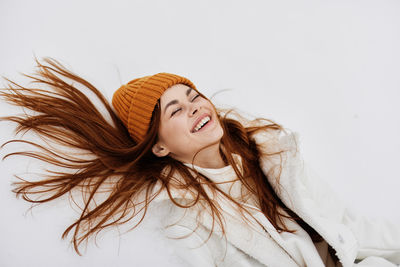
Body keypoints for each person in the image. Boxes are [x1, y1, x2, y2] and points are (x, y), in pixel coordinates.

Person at [1, 58, 399, 267]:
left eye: (193, 96)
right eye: (175, 111)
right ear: (158, 147)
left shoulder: (272, 153)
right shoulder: (184, 214)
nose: (195, 108)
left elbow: (346, 226)